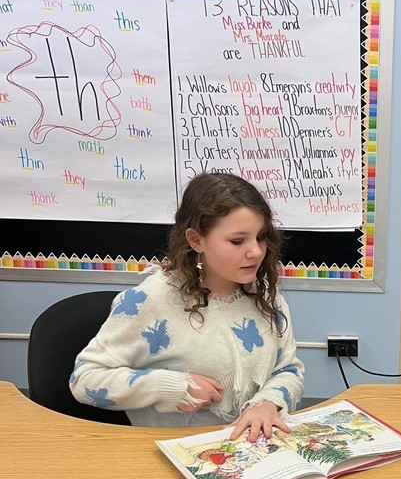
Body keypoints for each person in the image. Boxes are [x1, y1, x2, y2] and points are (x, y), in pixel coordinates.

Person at [70, 173, 304, 441]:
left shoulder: (264, 294)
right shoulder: (150, 299)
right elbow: (85, 380)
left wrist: (267, 402)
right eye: (238, 241)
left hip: (252, 452)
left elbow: (288, 369)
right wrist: (169, 388)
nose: (256, 252)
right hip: (171, 454)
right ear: (196, 240)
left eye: (261, 237)